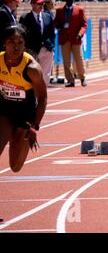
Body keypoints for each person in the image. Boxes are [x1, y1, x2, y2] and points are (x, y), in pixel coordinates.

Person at [0, 25, 47, 173]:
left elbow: (43, 97)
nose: (16, 47)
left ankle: (24, 136)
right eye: (12, 42)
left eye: (20, 43)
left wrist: (35, 126)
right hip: (4, 109)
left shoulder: (32, 68)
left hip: (25, 113)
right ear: (4, 44)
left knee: (15, 167)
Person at [54, 0, 88, 87]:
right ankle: (70, 80)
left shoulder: (79, 10)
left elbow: (84, 25)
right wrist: (58, 25)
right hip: (64, 38)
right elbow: (55, 22)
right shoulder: (59, 10)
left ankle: (82, 77)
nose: (68, 0)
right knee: (66, 61)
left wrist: (80, 34)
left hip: (76, 39)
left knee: (79, 59)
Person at [19, 0, 55, 85]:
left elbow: (52, 33)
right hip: (32, 50)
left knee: (46, 75)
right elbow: (22, 34)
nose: (41, 6)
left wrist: (51, 46)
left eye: (42, 4)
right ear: (32, 5)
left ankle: (42, 95)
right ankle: (33, 96)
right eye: (38, 4)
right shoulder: (25, 18)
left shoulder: (47, 16)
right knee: (32, 73)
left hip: (47, 49)